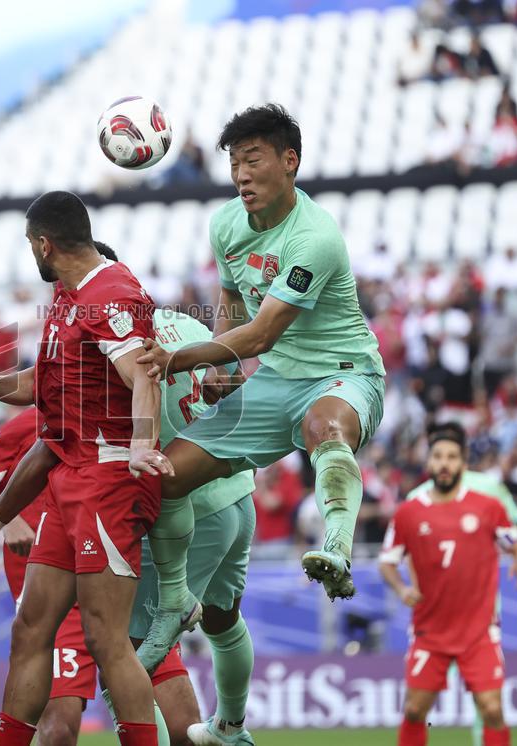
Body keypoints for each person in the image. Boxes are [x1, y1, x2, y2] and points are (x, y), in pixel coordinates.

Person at [134, 104, 385, 669]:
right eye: (233, 163)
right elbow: (229, 301)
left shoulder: (314, 236)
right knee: (167, 476)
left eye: (253, 160)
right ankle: (174, 603)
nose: (241, 174)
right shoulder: (225, 224)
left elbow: (264, 332)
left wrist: (179, 360)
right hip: (274, 381)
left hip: (343, 371)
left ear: (289, 161)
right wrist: (222, 370)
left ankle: (338, 547)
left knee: (323, 428)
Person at [0, 191, 173, 746]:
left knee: (104, 638)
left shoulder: (112, 292)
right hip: (69, 479)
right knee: (30, 629)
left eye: (30, 244)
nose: (33, 253)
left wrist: (144, 444)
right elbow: (42, 391)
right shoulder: (67, 298)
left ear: (44, 244)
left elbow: (142, 374)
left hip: (109, 480)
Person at [379, 422, 517, 746]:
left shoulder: (487, 504)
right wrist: (403, 588)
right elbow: (387, 560)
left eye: (451, 457)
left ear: (462, 463)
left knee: (492, 709)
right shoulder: (409, 511)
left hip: (478, 631)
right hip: (430, 631)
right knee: (416, 710)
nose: (444, 463)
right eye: (438, 456)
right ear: (429, 462)